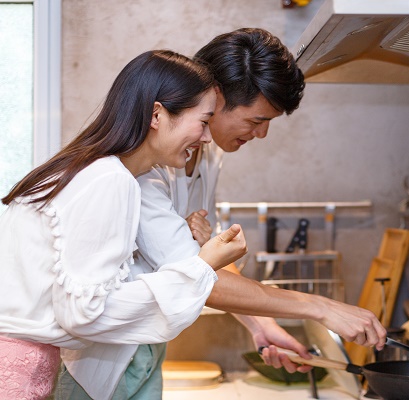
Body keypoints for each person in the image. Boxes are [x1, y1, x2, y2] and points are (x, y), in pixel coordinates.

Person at [55, 29, 387, 399]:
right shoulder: (140, 170)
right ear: (216, 97)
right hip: (97, 361)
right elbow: (194, 272)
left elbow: (203, 263)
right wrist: (319, 307)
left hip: (148, 345)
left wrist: (261, 326)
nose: (261, 134)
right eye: (256, 120)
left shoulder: (208, 156)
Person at [0, 50, 249, 399]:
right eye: (204, 121)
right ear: (158, 115)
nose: (207, 138)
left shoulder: (92, 169)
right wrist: (203, 265)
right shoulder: (110, 179)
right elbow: (84, 315)